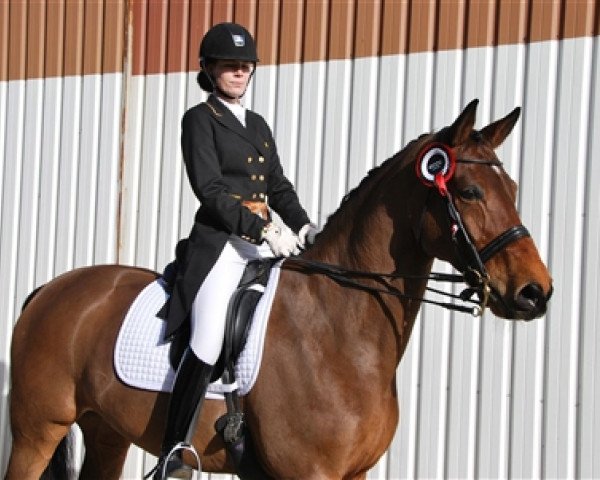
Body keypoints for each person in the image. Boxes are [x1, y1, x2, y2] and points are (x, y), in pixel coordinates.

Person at [153, 22, 318, 479]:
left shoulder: (258, 124)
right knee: (207, 337)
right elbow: (209, 189)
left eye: (245, 65)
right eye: (230, 65)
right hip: (221, 247)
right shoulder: (200, 119)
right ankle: (173, 450)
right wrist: (262, 228)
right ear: (209, 69)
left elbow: (277, 185)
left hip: (261, 248)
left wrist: (303, 225)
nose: (240, 71)